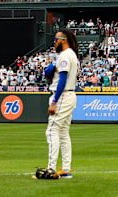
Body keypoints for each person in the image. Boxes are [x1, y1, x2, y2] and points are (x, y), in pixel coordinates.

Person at [44, 29, 80, 179]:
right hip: (70, 95)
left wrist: (54, 101)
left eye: (56, 40)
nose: (55, 42)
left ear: (63, 40)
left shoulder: (65, 55)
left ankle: (51, 168)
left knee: (52, 131)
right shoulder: (72, 55)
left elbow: (63, 80)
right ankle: (65, 169)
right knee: (64, 133)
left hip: (63, 96)